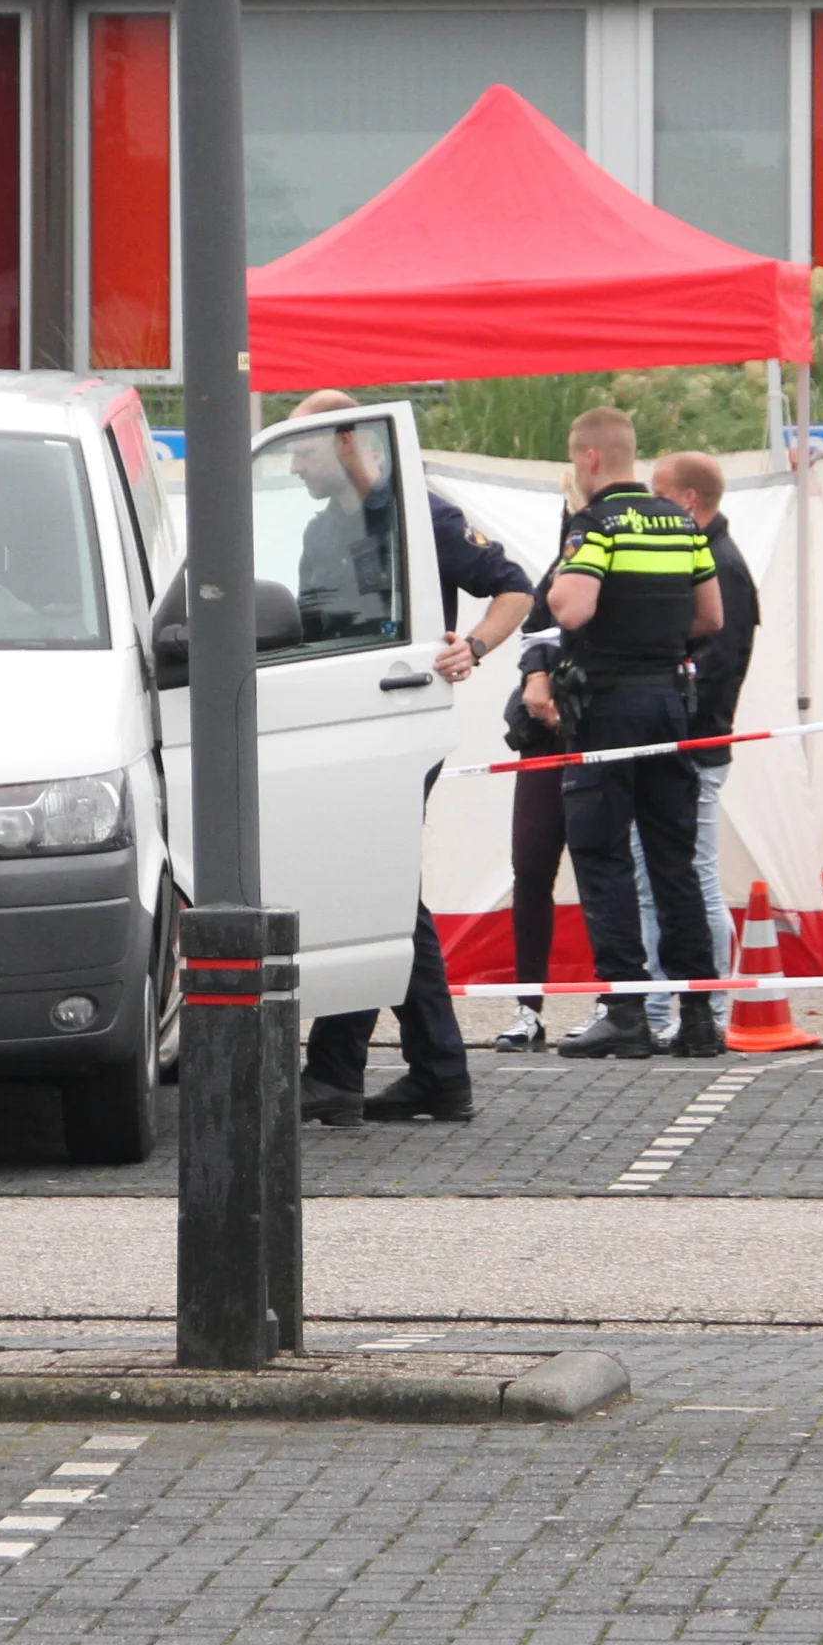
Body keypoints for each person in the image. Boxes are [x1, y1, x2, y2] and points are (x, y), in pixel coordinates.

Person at [285, 392, 532, 1128]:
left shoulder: (420, 515)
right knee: (380, 888)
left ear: (348, 442)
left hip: (392, 726)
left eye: (303, 449)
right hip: (342, 725)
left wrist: (474, 646)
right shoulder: (320, 529)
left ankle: (355, 1072)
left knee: (376, 885)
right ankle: (423, 1072)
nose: (294, 464)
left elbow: (515, 588)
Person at [546, 406, 723, 1060]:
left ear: (589, 459)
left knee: (603, 857)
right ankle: (699, 1015)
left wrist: (570, 579)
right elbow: (711, 616)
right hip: (669, 705)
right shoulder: (680, 522)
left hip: (606, 707)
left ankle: (624, 1011)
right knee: (673, 860)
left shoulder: (597, 524)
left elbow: (572, 606)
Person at [647, 449, 761, 1050]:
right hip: (688, 739)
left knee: (692, 876)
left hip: (696, 744)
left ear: (688, 500)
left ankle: (709, 1005)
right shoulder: (707, 557)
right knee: (671, 875)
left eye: (659, 494)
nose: (650, 505)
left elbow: (716, 666)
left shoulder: (722, 566)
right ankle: (667, 1004)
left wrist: (667, 710)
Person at [494, 471, 593, 1056]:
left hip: (600, 734)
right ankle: (527, 1007)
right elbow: (538, 621)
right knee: (530, 868)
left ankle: (619, 1000)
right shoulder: (563, 560)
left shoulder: (620, 542)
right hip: (544, 742)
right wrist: (536, 672)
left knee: (606, 869)